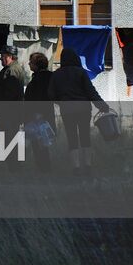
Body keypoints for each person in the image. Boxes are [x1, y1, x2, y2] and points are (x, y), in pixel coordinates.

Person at [50, 46, 112, 176]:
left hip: (67, 110)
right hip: (83, 109)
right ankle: (88, 166)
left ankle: (76, 168)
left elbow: (50, 94)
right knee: (85, 136)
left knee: (71, 138)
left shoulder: (57, 74)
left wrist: (61, 101)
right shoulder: (81, 72)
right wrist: (102, 106)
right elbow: (91, 92)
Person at [23, 51, 56, 174]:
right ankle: (43, 168)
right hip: (40, 114)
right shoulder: (43, 76)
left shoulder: (42, 78)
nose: (29, 64)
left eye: (31, 62)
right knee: (41, 143)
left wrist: (38, 112)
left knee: (40, 143)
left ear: (37, 64)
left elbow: (41, 96)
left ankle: (44, 168)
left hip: (39, 116)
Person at [0, 47, 28, 130]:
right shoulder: (9, 69)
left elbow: (10, 95)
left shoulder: (12, 70)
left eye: (2, 56)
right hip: (7, 115)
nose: (0, 58)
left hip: (7, 116)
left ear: (9, 57)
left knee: (7, 139)